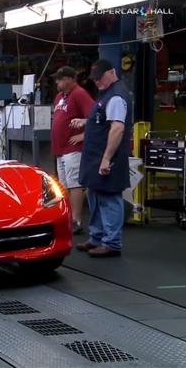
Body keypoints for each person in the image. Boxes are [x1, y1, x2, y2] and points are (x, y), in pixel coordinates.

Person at [71, 59, 133, 258]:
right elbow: (103, 120)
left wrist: (106, 159)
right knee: (95, 197)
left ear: (112, 72)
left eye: (100, 77)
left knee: (109, 199)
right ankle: (97, 237)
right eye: (94, 78)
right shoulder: (106, 94)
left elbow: (117, 129)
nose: (97, 81)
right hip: (94, 158)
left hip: (106, 158)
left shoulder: (116, 96)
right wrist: (85, 121)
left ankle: (112, 243)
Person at [50, 66, 95, 234]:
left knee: (75, 184)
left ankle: (76, 220)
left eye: (60, 79)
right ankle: (67, 217)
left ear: (70, 79)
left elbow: (94, 116)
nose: (57, 81)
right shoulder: (60, 97)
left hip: (73, 148)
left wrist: (83, 135)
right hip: (60, 149)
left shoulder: (79, 93)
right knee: (63, 185)